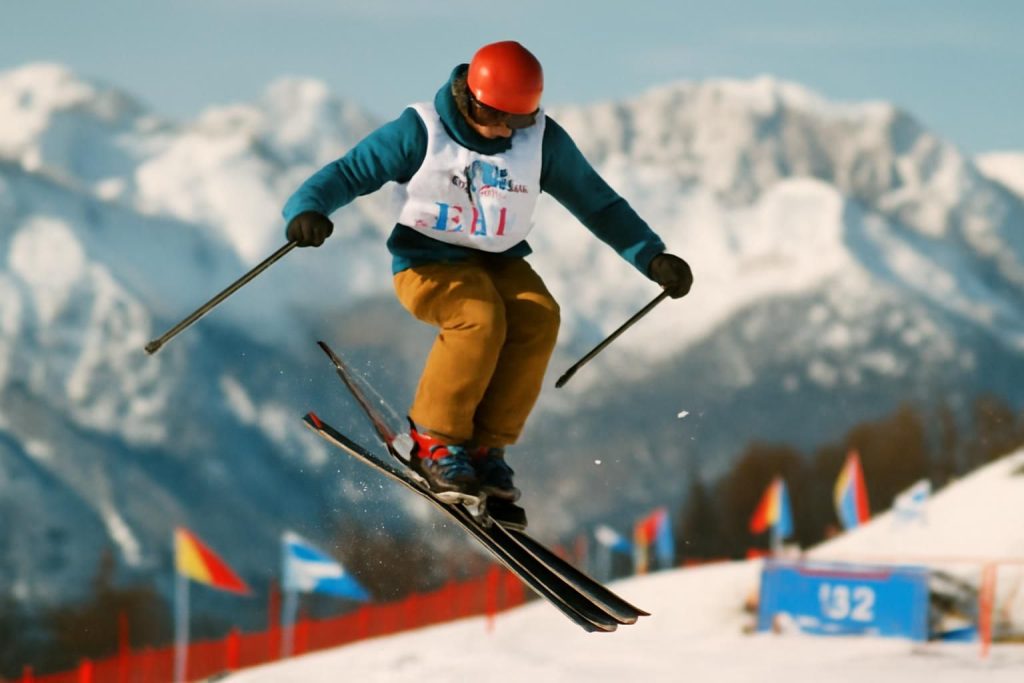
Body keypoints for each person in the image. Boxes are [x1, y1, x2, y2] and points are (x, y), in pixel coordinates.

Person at [282, 41, 692, 528]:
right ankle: (434, 439)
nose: (502, 131)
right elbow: (351, 172)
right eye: (493, 116)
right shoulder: (421, 131)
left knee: (539, 316)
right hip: (425, 259)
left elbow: (598, 203)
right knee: (477, 316)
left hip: (498, 260)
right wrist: (309, 209)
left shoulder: (541, 142)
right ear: (468, 99)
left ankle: (483, 449)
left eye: (515, 121)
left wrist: (651, 256)